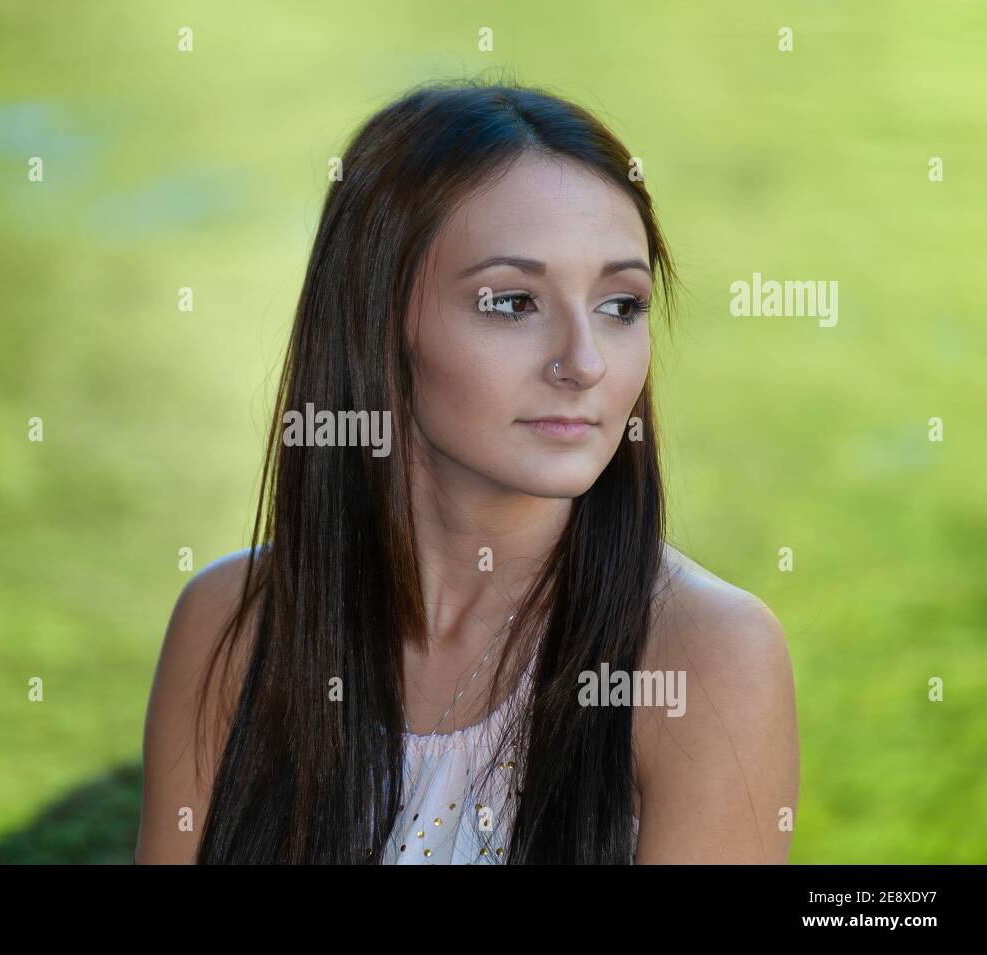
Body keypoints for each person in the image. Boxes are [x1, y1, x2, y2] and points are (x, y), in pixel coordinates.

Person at [136, 79, 799, 864]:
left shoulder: (709, 654)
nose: (584, 363)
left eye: (620, 305)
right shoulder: (231, 626)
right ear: (378, 318)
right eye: (514, 302)